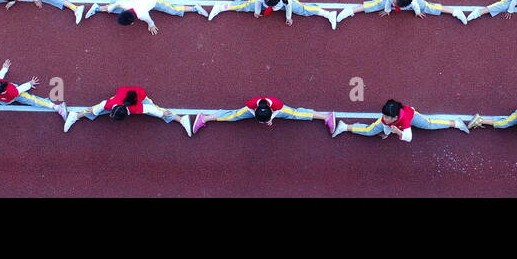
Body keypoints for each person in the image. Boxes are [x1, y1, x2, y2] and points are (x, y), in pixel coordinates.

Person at [63, 86, 189, 134]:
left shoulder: (137, 108)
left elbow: (152, 109)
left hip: (140, 95)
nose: (110, 116)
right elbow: (96, 108)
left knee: (158, 111)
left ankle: (181, 119)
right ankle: (74, 116)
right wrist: (92, 111)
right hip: (121, 95)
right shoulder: (108, 104)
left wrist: (162, 113)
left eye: (111, 115)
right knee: (95, 110)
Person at [206, 0, 346, 29]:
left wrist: (288, 18)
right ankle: (221, 8)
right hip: (267, 3)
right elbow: (258, 4)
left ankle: (329, 15)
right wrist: (256, 12)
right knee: (244, 6)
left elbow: (289, 9)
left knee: (304, 9)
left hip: (285, 5)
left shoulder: (287, 0)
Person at [332, 98, 469, 141]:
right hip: (396, 123)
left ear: (396, 117)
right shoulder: (387, 118)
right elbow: (386, 123)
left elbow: (408, 137)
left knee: (428, 124)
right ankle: (344, 126)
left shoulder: (404, 121)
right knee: (369, 131)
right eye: (384, 114)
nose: (383, 118)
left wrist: (397, 131)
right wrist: (387, 131)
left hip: (411, 117)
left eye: (387, 116)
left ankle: (456, 123)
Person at [191, 96, 336, 134]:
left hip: (276, 111)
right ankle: (204, 118)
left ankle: (326, 117)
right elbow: (247, 110)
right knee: (233, 116)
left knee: (296, 113)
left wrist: (271, 118)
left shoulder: (277, 105)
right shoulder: (251, 104)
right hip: (253, 110)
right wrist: (263, 119)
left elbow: (278, 111)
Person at [83, 0, 191, 32]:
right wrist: (110, 9)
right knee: (115, 7)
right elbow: (117, 3)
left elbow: (150, 21)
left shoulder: (142, 15)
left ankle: (194, 8)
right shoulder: (125, 5)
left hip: (153, 0)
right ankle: (97, 8)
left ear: (132, 22)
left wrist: (151, 25)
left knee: (172, 10)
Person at [360, 0, 462, 21]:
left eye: (394, 1)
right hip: (400, 0)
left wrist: (417, 13)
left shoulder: (414, 2)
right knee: (377, 5)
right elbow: (388, 2)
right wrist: (387, 10)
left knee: (428, 6)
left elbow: (416, 7)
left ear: (400, 6)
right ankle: (351, 11)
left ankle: (454, 11)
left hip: (412, 1)